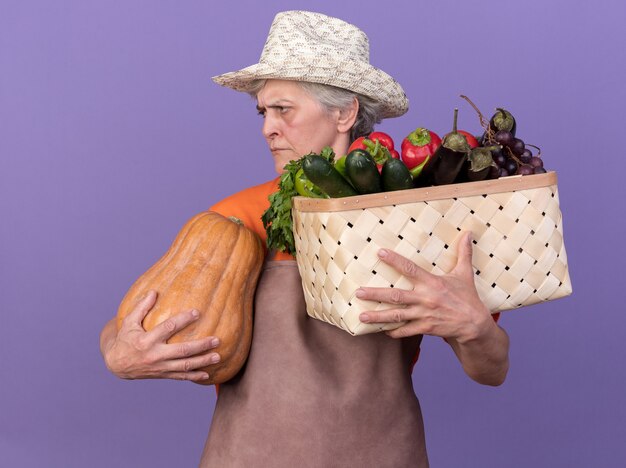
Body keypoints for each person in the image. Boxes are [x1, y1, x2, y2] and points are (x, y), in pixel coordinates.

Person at [100, 10, 509, 467]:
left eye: (283, 110)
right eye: (263, 111)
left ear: (345, 112)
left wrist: (474, 328)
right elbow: (126, 325)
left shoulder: (416, 217)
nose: (266, 127)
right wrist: (119, 354)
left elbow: (491, 369)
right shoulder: (233, 219)